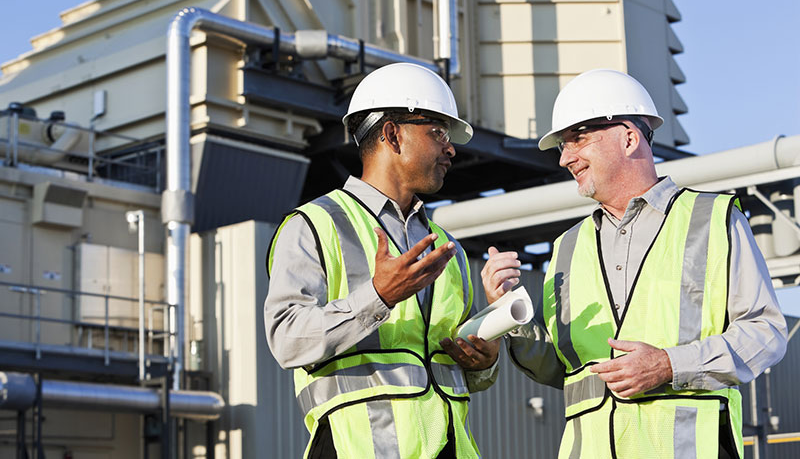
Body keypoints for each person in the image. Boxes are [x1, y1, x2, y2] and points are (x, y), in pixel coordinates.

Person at [481, 69, 787, 458]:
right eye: (563, 145)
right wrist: (509, 311)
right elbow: (561, 369)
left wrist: (668, 365)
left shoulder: (713, 219)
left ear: (628, 138)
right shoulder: (567, 247)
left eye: (578, 139)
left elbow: (766, 331)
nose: (565, 158)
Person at [265, 62, 500, 459]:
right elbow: (287, 340)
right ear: (393, 135)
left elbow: (452, 367)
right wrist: (378, 295)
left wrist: (485, 360)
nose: (451, 148)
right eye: (438, 131)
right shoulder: (314, 225)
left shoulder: (447, 247)